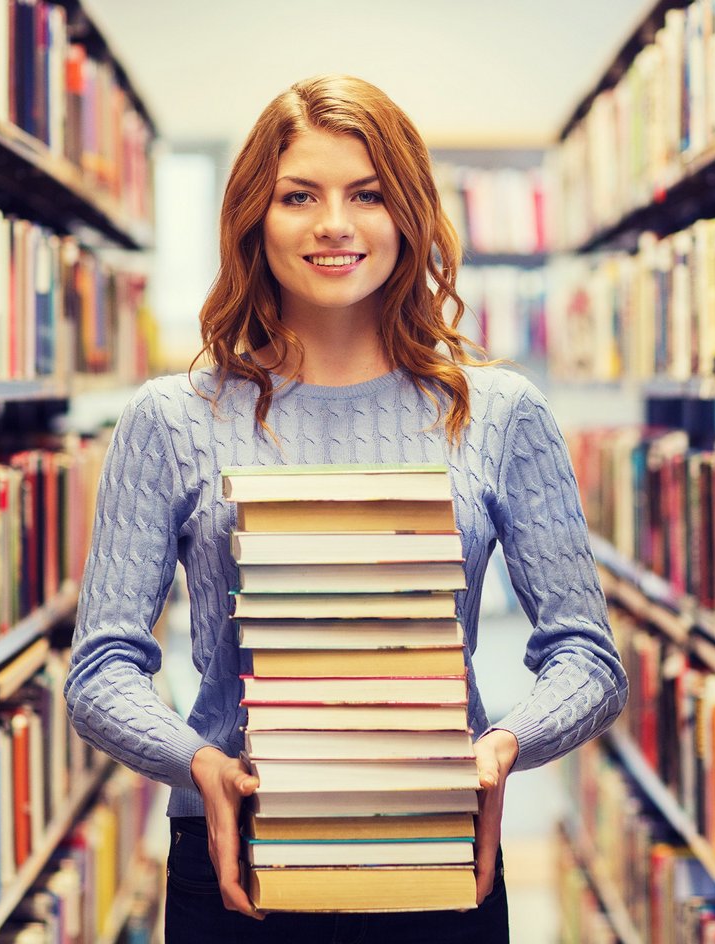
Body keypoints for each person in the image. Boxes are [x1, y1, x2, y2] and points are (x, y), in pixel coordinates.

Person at [64, 74, 628, 943]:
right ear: (255, 215)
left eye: (367, 194)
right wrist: (197, 763)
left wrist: (503, 746)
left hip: (439, 847)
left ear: (409, 214)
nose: (335, 224)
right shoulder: (171, 419)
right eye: (300, 195)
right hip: (230, 857)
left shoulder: (498, 411)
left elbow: (588, 659)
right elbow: (100, 669)